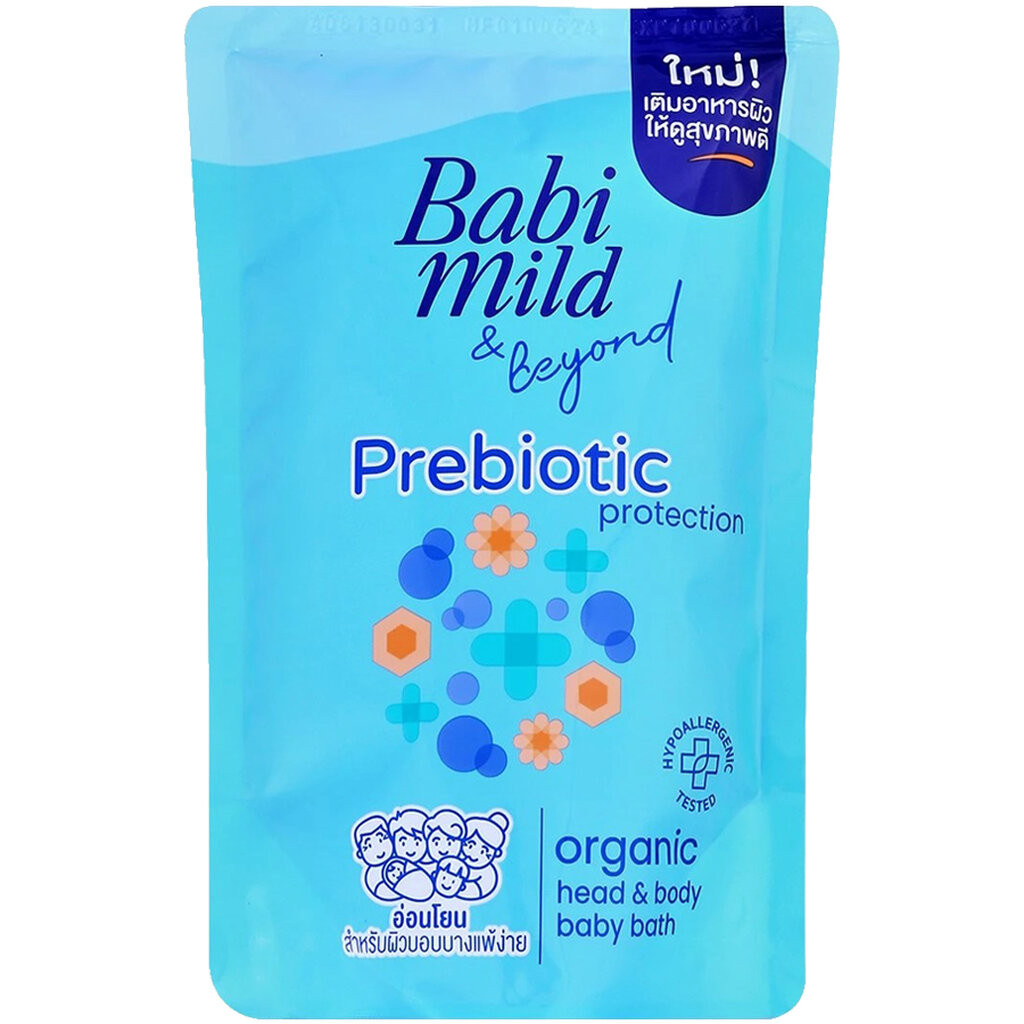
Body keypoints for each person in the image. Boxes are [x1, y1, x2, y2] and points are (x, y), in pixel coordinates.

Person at [460, 811, 510, 901]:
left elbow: (479, 890)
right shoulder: (454, 861)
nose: (473, 854)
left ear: (496, 854)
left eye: (483, 851)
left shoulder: (488, 874)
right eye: (470, 845)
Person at [352, 814, 393, 897]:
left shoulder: (400, 858)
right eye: (369, 846)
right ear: (360, 854)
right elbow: (382, 892)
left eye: (382, 839)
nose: (378, 849)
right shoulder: (373, 876)